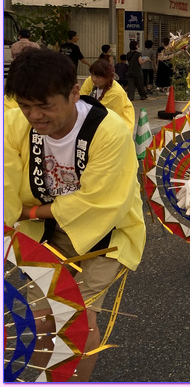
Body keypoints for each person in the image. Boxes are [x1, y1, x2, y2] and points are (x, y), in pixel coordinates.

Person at [4, 49, 146, 381]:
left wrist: (31, 210)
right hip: (42, 230)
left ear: (73, 92)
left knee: (78, 320)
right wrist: (17, 214)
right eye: (26, 106)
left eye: (45, 106)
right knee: (41, 317)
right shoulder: (13, 124)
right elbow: (7, 181)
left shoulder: (108, 131)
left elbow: (100, 203)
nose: (35, 116)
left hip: (107, 233)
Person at [80, 59, 135, 131]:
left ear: (108, 77)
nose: (94, 78)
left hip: (119, 123)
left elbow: (100, 112)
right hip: (99, 119)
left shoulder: (115, 92)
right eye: (92, 74)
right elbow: (81, 97)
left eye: (98, 76)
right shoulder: (90, 80)